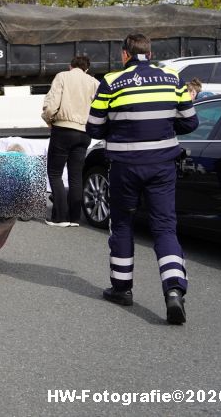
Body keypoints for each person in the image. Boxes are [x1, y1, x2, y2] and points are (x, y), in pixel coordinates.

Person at [86, 33, 199, 324]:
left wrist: (120, 127)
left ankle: (122, 288)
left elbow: (94, 128)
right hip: (162, 165)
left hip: (125, 166)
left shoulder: (111, 81)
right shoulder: (172, 78)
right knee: (165, 228)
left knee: (122, 224)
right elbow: (190, 121)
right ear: (149, 53)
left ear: (125, 54)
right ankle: (174, 290)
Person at [41, 55, 99, 227]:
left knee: (55, 173)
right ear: (87, 69)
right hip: (84, 132)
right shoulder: (94, 82)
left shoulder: (62, 77)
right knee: (76, 176)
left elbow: (51, 105)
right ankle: (75, 217)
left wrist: (48, 119)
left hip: (63, 129)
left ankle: (59, 217)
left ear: (70, 66)